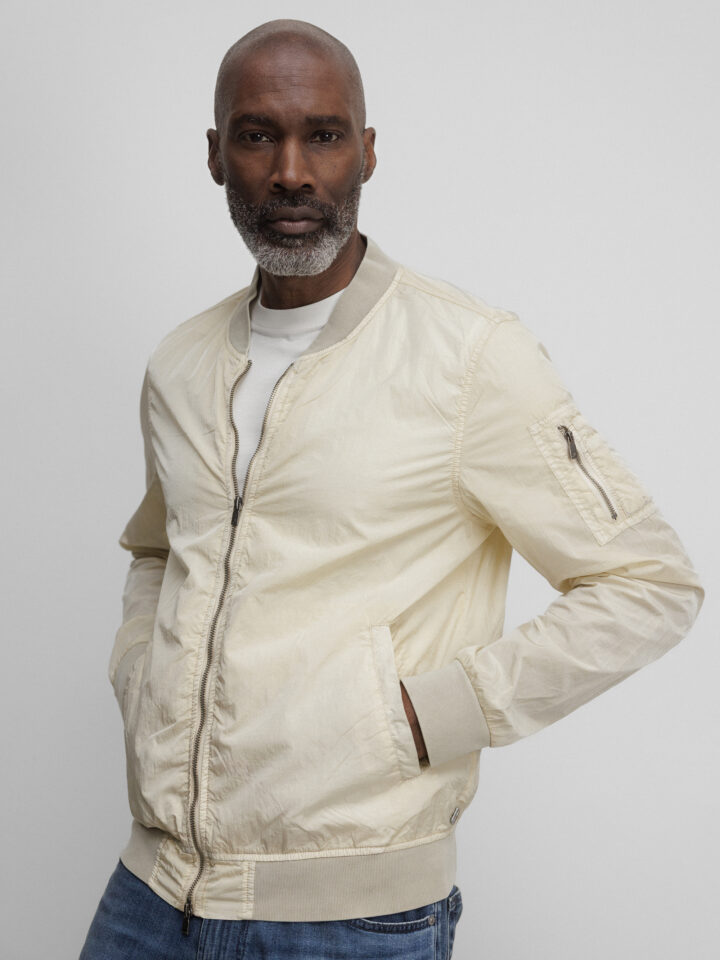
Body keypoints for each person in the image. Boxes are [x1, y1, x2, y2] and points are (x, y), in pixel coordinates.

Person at [79, 18, 704, 960]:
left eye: (324, 135)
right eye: (258, 135)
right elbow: (160, 550)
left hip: (352, 918)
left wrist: (431, 714)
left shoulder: (470, 357)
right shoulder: (181, 362)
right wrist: (141, 668)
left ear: (367, 152)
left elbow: (649, 583)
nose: (292, 171)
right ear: (215, 156)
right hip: (151, 893)